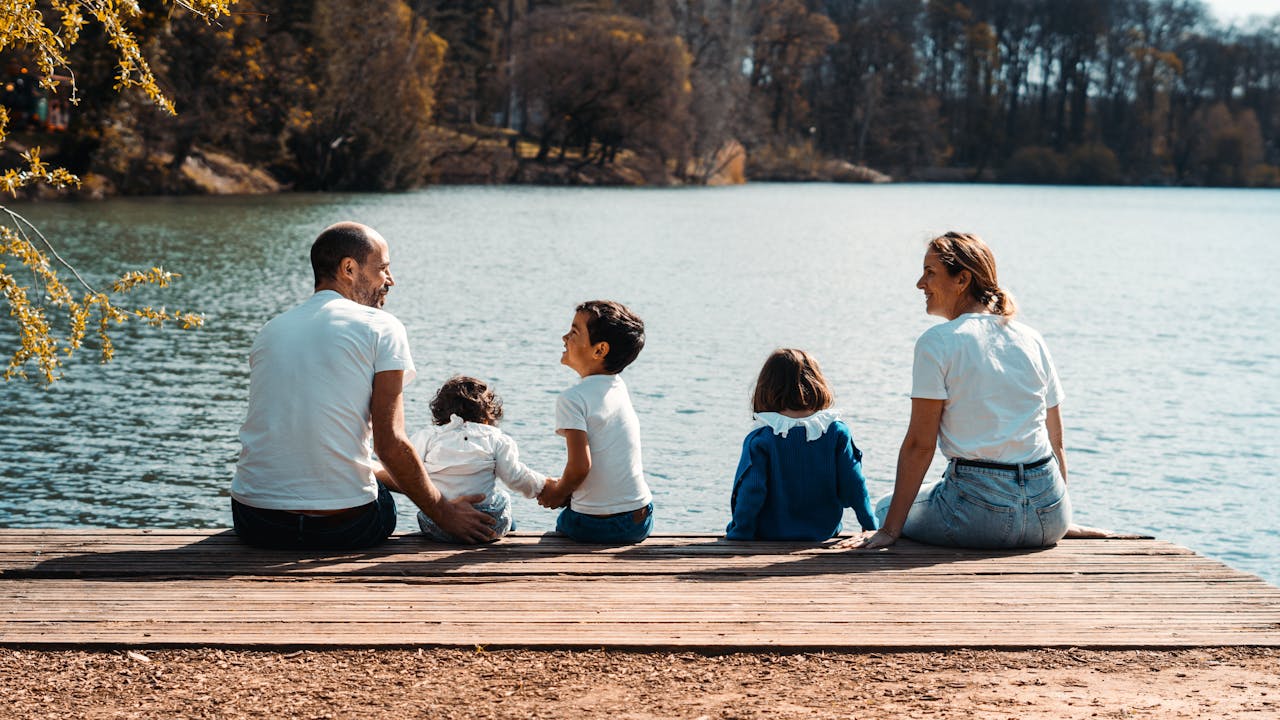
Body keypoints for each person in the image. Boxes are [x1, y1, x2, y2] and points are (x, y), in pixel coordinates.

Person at [230, 221, 495, 550]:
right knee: (382, 497)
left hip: (256, 521)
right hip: (341, 527)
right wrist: (444, 512)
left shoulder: (271, 330)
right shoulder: (382, 327)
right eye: (383, 269)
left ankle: (423, 482)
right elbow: (391, 444)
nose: (390, 280)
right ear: (349, 268)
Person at [843, 231, 1071, 550]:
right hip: (1051, 514)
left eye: (930, 272)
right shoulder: (1031, 338)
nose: (920, 284)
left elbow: (920, 446)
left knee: (884, 506)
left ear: (962, 279)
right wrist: (1060, 517)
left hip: (982, 517)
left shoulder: (937, 342)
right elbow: (1055, 439)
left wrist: (890, 530)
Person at [725, 349, 877, 541]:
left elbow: (752, 490)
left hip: (770, 534)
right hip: (822, 532)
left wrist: (740, 532)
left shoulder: (761, 437)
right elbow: (854, 484)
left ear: (766, 387)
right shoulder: (836, 431)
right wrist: (870, 526)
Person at [536, 300, 653, 544]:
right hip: (640, 519)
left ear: (599, 350)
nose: (564, 337)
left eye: (574, 332)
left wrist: (557, 494)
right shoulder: (619, 388)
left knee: (565, 521)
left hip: (595, 525)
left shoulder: (572, 399)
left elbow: (580, 466)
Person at [409, 376, 548, 543]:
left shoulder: (427, 437)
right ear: (488, 414)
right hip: (487, 524)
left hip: (439, 525)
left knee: (424, 509)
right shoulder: (496, 439)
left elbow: (408, 472)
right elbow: (515, 478)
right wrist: (544, 486)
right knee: (503, 497)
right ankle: (505, 530)